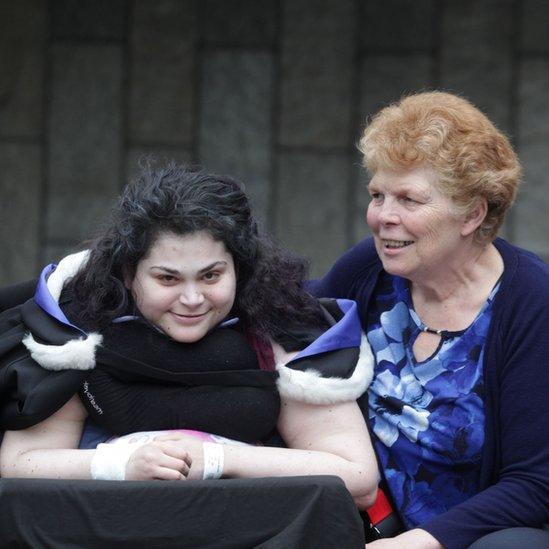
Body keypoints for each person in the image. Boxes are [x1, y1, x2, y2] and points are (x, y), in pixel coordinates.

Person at [0, 162, 379, 510]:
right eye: (168, 278)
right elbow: (20, 463)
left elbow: (358, 478)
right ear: (130, 274)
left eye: (211, 275)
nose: (193, 299)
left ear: (239, 268)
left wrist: (216, 458)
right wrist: (122, 463)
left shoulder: (284, 332)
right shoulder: (78, 331)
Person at [309, 91, 549, 548]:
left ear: (473, 214)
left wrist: (420, 542)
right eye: (378, 195)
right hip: (365, 527)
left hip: (473, 538)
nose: (383, 217)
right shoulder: (370, 271)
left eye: (409, 199)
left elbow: (534, 485)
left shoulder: (532, 303)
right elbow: (284, 316)